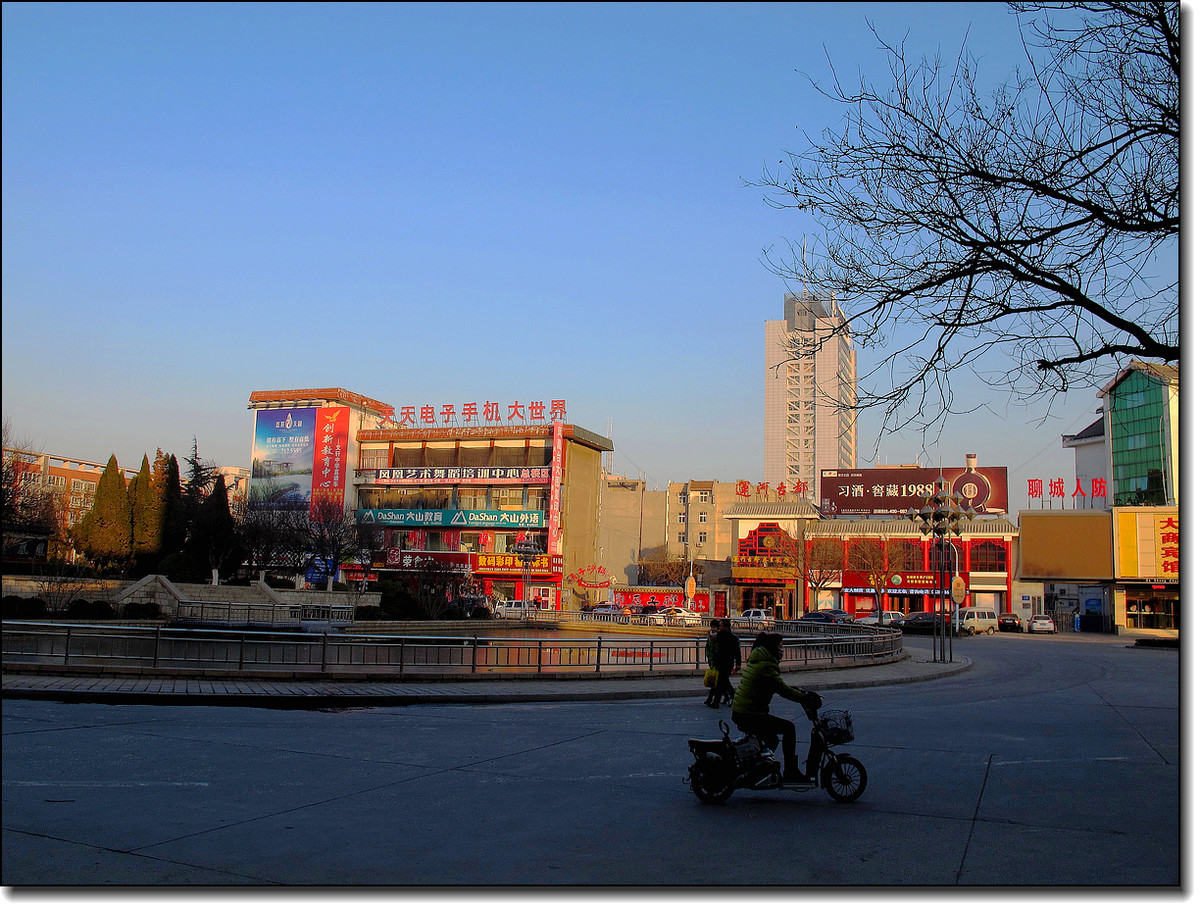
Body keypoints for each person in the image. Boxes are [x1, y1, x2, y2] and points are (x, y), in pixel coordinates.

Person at [730, 632, 822, 783]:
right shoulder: (766, 666)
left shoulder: (760, 661)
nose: (782, 650)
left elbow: (779, 686)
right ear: (772, 648)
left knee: (772, 740)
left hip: (744, 712)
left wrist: (799, 692)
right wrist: (804, 698)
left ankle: (758, 767)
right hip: (750, 714)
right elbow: (783, 690)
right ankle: (790, 770)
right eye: (780, 647)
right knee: (788, 729)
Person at [711, 618, 742, 707]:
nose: (719, 627)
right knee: (724, 682)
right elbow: (716, 647)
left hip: (728, 663)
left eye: (721, 625)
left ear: (726, 627)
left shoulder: (733, 638)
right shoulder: (720, 636)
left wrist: (738, 664)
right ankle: (734, 698)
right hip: (720, 662)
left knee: (721, 682)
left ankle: (716, 702)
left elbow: (737, 652)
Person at [702, 620, 721, 707]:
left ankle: (711, 699)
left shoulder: (720, 637)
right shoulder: (709, 636)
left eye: (715, 627)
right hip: (711, 659)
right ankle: (728, 697)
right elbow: (708, 647)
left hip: (717, 660)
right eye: (712, 627)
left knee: (717, 680)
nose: (713, 629)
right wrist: (708, 655)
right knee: (721, 681)